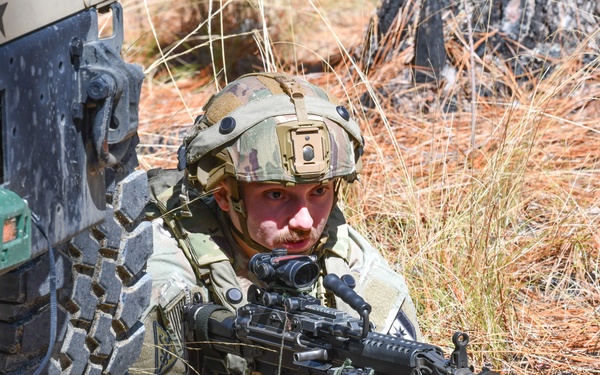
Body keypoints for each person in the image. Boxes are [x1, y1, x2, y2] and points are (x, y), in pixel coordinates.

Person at [132, 72, 421, 374]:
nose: (304, 221)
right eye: (276, 194)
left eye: (319, 191)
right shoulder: (162, 274)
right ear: (223, 194)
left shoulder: (356, 268)